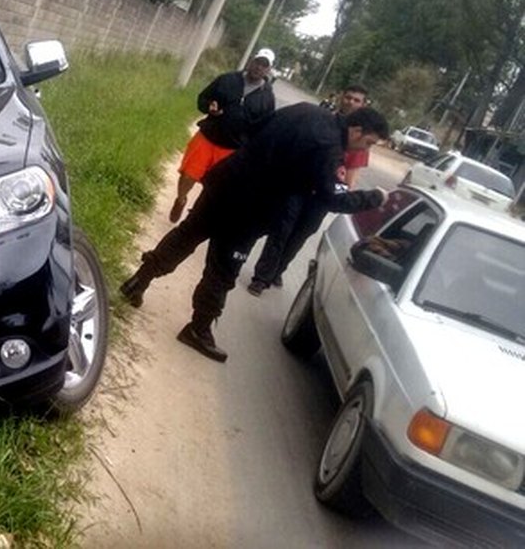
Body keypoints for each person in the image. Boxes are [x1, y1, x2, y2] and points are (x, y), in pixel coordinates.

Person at [119, 105, 390, 363]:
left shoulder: (305, 110)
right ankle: (198, 329)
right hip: (250, 209)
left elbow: (253, 127)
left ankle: (136, 282)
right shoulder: (329, 148)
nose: (365, 149)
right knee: (224, 269)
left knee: (186, 235)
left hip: (225, 181)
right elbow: (332, 198)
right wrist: (373, 198)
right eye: (368, 143)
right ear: (356, 130)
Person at [247, 84, 370, 295]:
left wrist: (339, 194)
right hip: (299, 185)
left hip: (323, 195)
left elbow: (349, 177)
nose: (350, 102)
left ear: (364, 104)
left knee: (300, 234)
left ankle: (277, 271)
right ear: (341, 97)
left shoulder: (362, 139)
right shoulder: (324, 120)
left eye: (356, 100)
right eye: (348, 97)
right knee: (281, 229)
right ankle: (261, 277)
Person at [168, 49, 277, 223]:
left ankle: (195, 215)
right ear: (251, 61)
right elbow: (202, 99)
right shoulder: (227, 79)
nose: (259, 67)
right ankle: (181, 200)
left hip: (232, 150)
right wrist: (209, 107)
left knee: (214, 188)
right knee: (189, 174)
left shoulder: (267, 98)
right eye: (258, 61)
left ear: (269, 70)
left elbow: (264, 129)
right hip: (207, 137)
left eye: (264, 65)